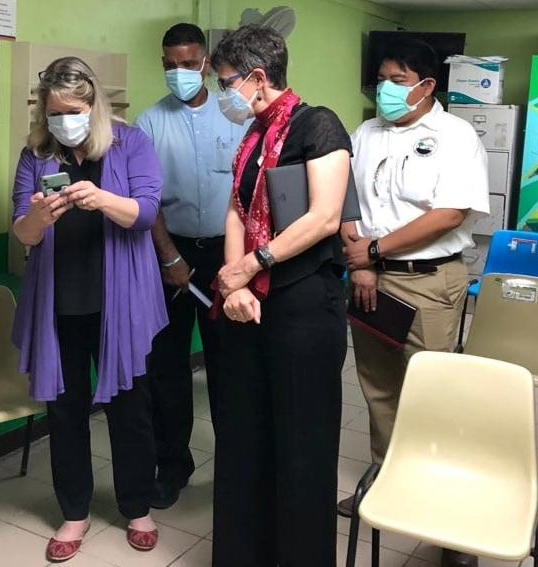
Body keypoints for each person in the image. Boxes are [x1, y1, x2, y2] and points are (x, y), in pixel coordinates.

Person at [338, 37, 489, 567]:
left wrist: (373, 251)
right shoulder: (366, 131)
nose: (385, 89)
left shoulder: (455, 135)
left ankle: (449, 522)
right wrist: (361, 262)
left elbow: (450, 213)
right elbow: (347, 198)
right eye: (381, 78)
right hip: (368, 280)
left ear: (426, 87)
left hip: (427, 283)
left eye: (397, 81)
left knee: (433, 397)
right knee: (378, 388)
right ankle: (385, 483)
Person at [10, 56, 167, 563]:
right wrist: (36, 216)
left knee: (131, 409)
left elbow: (145, 212)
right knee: (66, 411)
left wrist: (101, 199)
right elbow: (22, 234)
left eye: (73, 110)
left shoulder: (130, 144)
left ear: (94, 105)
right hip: (59, 303)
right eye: (54, 112)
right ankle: (74, 512)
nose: (63, 121)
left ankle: (137, 506)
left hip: (120, 303)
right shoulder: (36, 155)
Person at [208, 24, 351, 566]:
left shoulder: (318, 125)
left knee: (301, 446)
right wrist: (232, 280)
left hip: (301, 305)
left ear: (258, 78)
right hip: (246, 306)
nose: (222, 93)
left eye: (226, 83)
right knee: (243, 438)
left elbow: (324, 216)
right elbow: (234, 211)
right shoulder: (251, 136)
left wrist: (249, 266)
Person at [134, 22, 249, 510]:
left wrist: (241, 263)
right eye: (169, 65)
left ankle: (238, 468)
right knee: (167, 367)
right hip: (169, 254)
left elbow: (251, 193)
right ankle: (172, 465)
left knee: (230, 366)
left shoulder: (239, 114)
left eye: (187, 63)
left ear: (204, 62)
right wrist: (170, 258)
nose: (178, 72)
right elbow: (147, 198)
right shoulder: (149, 123)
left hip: (229, 253)